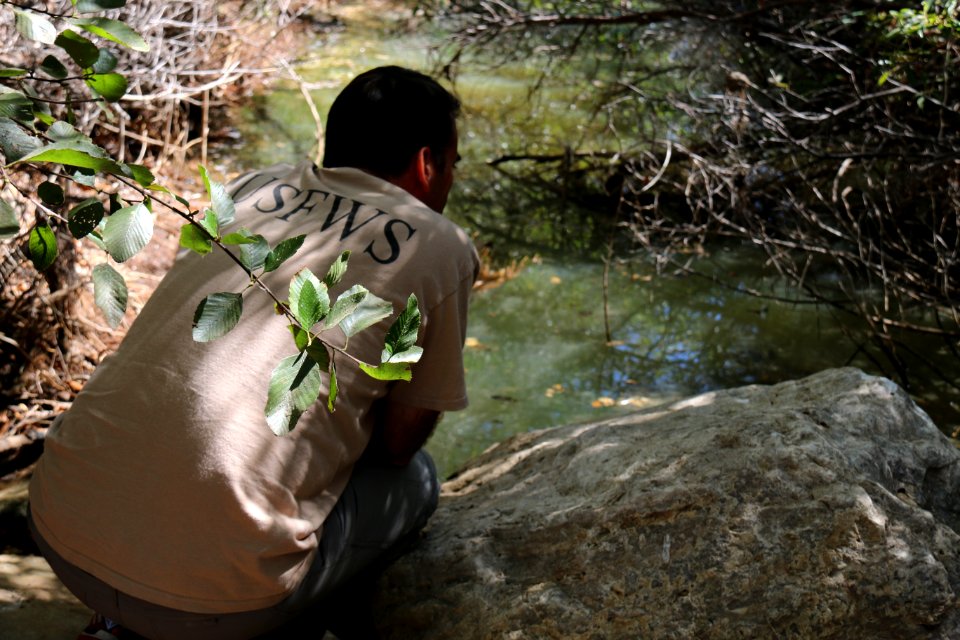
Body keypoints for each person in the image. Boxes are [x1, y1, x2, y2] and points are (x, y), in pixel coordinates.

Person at [28, 66, 479, 640]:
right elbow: (396, 445)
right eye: (454, 165)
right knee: (417, 480)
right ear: (426, 163)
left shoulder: (251, 186)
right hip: (219, 605)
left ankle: (122, 616)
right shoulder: (440, 245)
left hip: (60, 530)